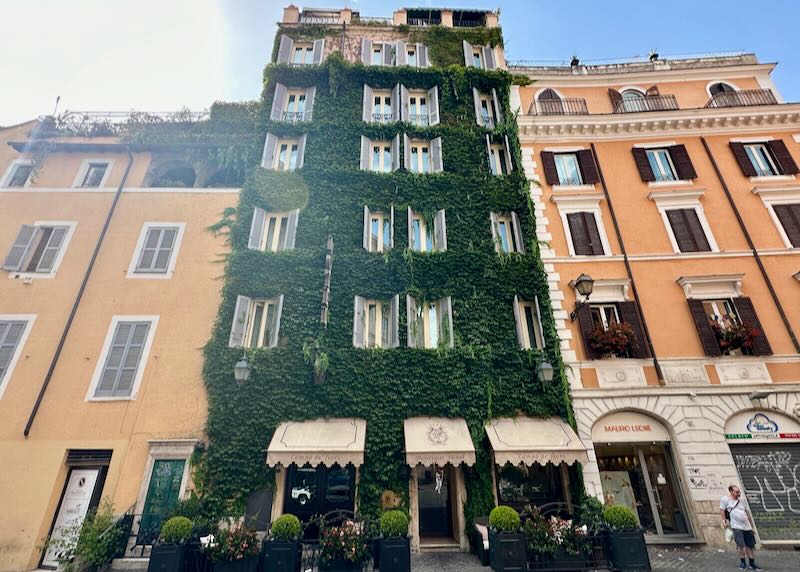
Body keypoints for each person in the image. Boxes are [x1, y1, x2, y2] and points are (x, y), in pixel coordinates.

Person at [720, 484, 761, 570]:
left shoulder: (742, 501)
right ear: (731, 491)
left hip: (747, 527)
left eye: (739, 491)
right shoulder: (725, 499)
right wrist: (724, 521)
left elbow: (747, 513)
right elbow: (722, 510)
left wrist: (752, 527)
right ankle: (742, 562)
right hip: (736, 527)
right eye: (737, 492)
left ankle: (752, 563)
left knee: (750, 545)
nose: (739, 493)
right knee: (741, 545)